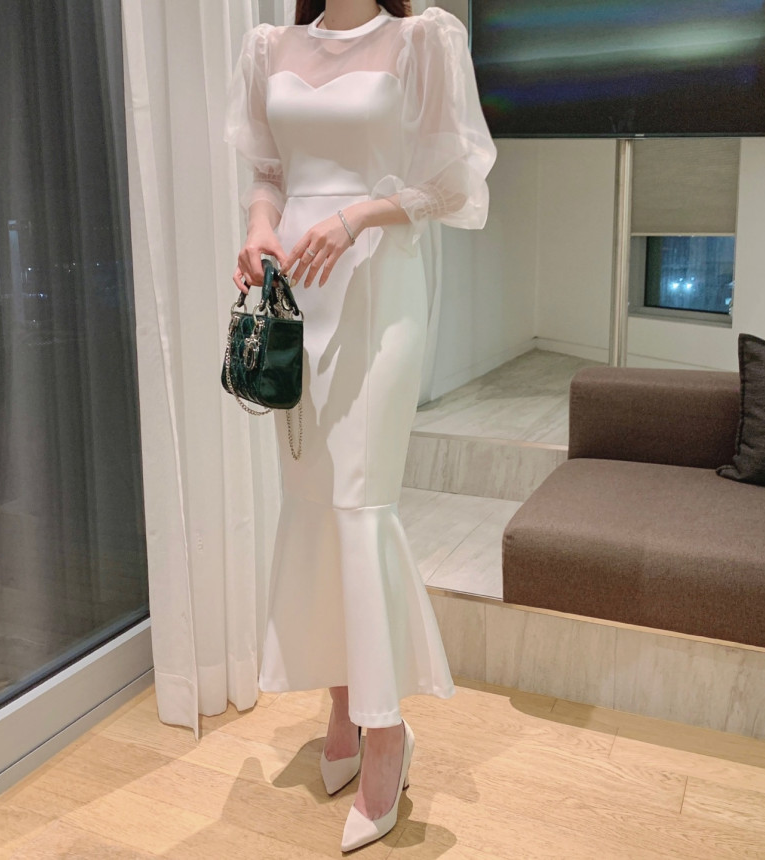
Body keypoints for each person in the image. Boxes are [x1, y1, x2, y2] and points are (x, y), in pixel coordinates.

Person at [224, 0, 496, 850]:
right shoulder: (268, 45)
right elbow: (269, 170)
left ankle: (387, 735)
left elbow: (453, 184)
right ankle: (342, 707)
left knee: (360, 503)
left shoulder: (423, 39)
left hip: (379, 286)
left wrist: (354, 217)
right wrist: (261, 225)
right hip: (296, 292)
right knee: (313, 504)